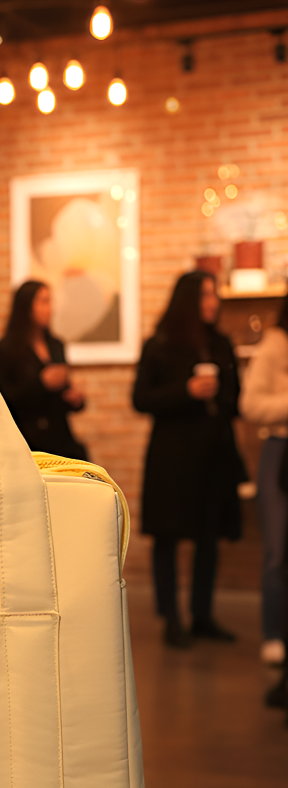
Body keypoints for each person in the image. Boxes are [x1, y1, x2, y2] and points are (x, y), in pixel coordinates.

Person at [133, 271, 246, 649]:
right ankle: (170, 618)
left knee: (208, 537)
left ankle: (202, 615)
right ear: (188, 300)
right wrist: (187, 390)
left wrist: (219, 394)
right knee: (168, 536)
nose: (213, 302)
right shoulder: (160, 345)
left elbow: (236, 400)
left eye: (215, 294)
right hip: (173, 459)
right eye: (205, 295)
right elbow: (141, 399)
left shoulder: (220, 344)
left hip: (213, 457)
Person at [239, 294, 288, 666]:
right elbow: (251, 405)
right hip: (281, 451)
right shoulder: (274, 346)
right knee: (277, 550)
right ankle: (274, 634)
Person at [0, 279, 88, 460]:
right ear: (26, 306)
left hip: (59, 440)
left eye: (50, 301)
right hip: (24, 443)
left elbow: (60, 393)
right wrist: (41, 383)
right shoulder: (6, 350)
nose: (50, 308)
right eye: (43, 301)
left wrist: (74, 399)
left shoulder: (56, 345)